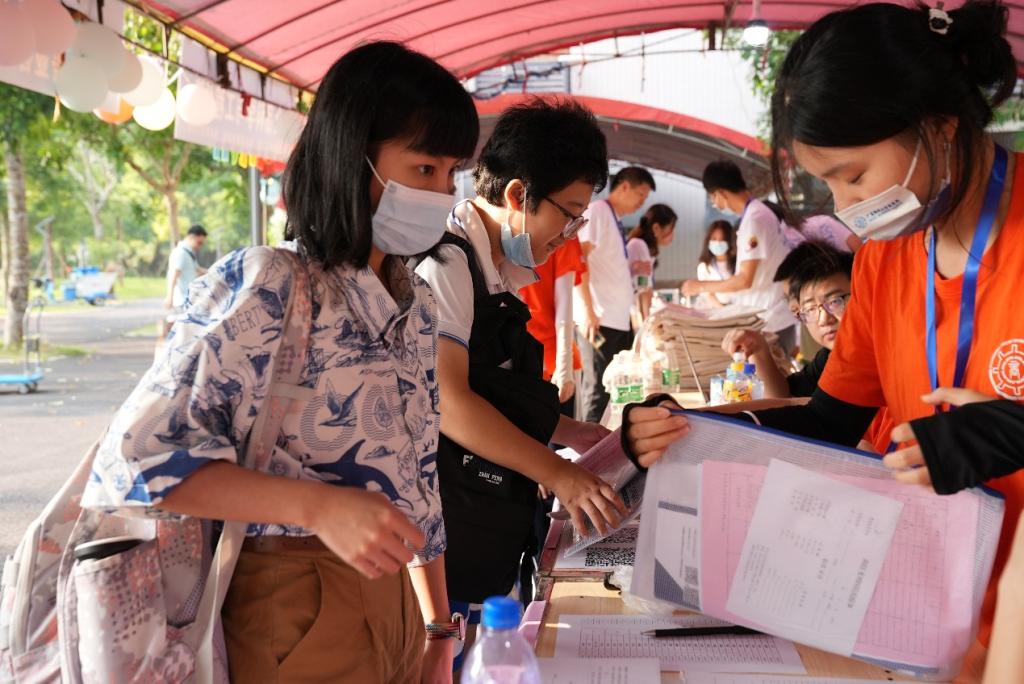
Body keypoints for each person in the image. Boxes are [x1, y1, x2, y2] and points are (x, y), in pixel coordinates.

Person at [623, 0, 1024, 650]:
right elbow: (830, 422)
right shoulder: (888, 257)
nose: (846, 207)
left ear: (940, 126)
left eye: (854, 177)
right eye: (828, 185)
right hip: (934, 618)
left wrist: (1014, 432)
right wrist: (689, 430)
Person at [82, 41, 481, 683]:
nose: (442, 193)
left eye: (451, 173)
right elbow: (132, 462)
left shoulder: (416, 303)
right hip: (297, 604)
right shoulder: (271, 285)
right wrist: (317, 507)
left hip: (400, 604)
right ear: (352, 159)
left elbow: (420, 482)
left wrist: (437, 627)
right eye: (424, 168)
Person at [414, 99, 628, 666]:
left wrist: (569, 431)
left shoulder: (491, 268)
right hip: (444, 524)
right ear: (517, 195)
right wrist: (558, 472)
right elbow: (449, 402)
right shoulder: (446, 265)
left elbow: (491, 387)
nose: (570, 235)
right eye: (569, 214)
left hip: (477, 519)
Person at [721, 241, 893, 452]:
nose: (823, 319)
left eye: (835, 301)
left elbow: (822, 421)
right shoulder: (830, 357)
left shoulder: (883, 354)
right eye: (809, 309)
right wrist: (758, 350)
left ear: (863, 295)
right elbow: (786, 400)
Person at [681, 161, 796, 352]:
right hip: (768, 315)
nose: (715, 203)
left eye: (713, 197)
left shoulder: (755, 219)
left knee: (770, 370)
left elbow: (744, 280)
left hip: (770, 318)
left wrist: (700, 286)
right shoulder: (756, 214)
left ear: (720, 193)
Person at [575, 166, 656, 422]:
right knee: (597, 391)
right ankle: (588, 446)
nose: (642, 202)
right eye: (640, 194)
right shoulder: (598, 211)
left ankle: (605, 441)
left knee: (616, 392)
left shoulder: (614, 219)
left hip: (615, 318)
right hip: (599, 319)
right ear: (624, 187)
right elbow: (580, 260)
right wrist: (588, 311)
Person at [520, 235, 587, 415]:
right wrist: (564, 363)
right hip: (549, 359)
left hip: (533, 358)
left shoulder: (503, 232)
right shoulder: (565, 235)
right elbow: (564, 304)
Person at [626, 203, 676, 325]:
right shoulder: (639, 245)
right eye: (670, 229)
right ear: (656, 228)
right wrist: (646, 324)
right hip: (631, 316)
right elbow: (643, 290)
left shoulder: (642, 247)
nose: (672, 235)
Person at [162, 224, 207, 337]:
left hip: (188, 299)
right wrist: (169, 297)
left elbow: (197, 270)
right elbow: (174, 275)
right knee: (181, 333)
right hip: (181, 300)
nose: (200, 246)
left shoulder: (188, 253)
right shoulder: (181, 253)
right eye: (199, 243)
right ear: (191, 237)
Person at [694, 219, 737, 308]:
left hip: (737, 306)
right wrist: (723, 310)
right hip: (715, 309)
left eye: (722, 240)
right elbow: (708, 295)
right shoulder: (704, 267)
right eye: (714, 239)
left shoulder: (738, 264)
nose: (717, 243)